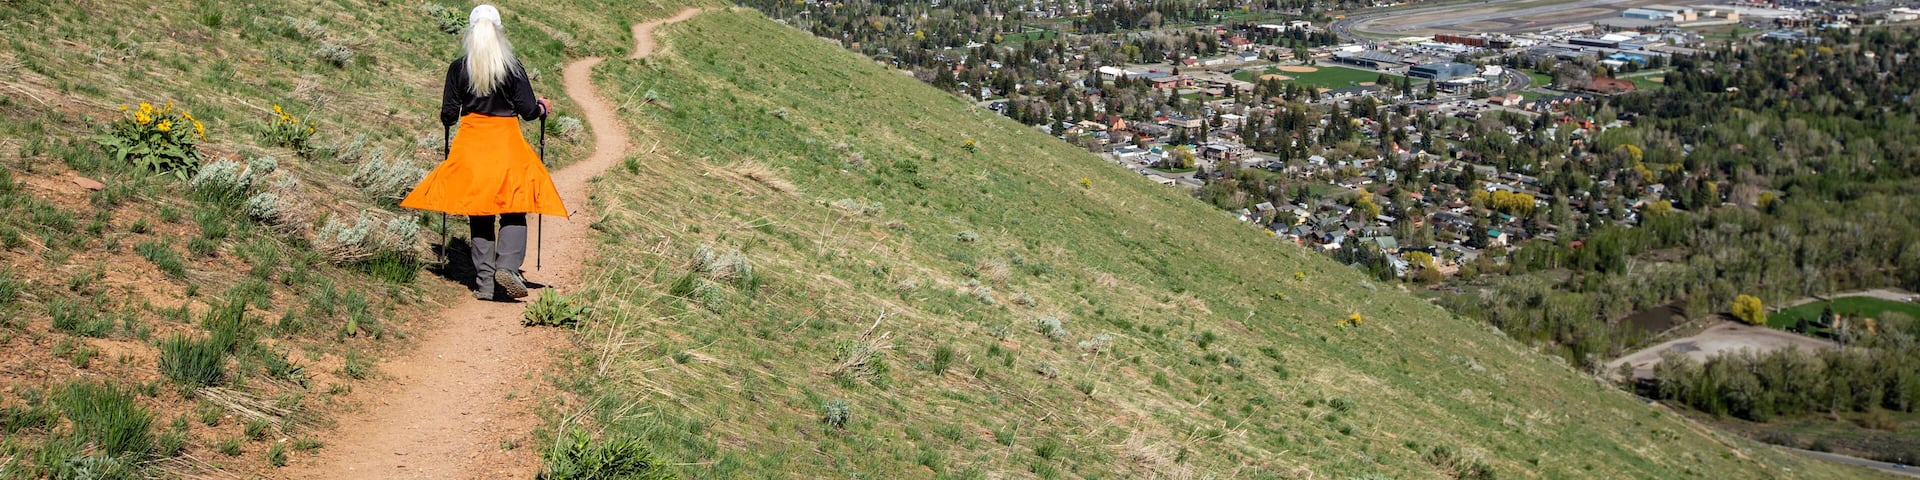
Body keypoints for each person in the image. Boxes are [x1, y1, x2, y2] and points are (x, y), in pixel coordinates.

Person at [400, 5, 566, 301]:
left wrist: (449, 114)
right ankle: (508, 266)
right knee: (514, 207)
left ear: (470, 32)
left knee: (480, 213)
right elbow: (528, 111)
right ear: (499, 32)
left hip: (472, 145)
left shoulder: (458, 68)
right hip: (506, 145)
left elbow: (449, 115)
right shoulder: (512, 67)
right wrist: (542, 107)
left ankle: (485, 284)